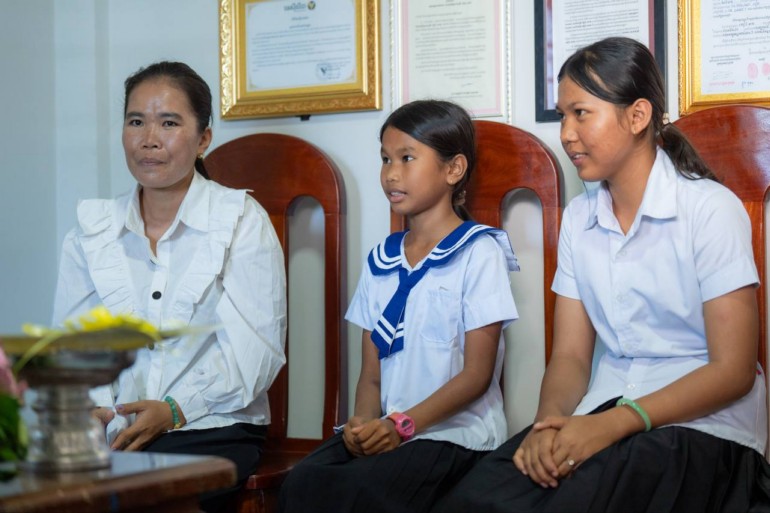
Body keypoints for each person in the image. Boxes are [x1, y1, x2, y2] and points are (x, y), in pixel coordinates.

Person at [434, 37, 770, 513]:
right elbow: (571, 357)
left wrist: (616, 423)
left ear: (637, 116)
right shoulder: (579, 218)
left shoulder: (710, 209)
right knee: (475, 498)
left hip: (703, 428)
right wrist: (548, 426)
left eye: (581, 114)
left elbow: (732, 371)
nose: (566, 134)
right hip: (607, 411)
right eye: (562, 116)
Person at [52, 61, 286, 513]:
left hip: (212, 425)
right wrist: (93, 410)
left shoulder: (240, 221)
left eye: (169, 123)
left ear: (203, 138)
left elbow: (256, 354)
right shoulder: (91, 229)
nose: (149, 139)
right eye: (136, 121)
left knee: (138, 497)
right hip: (113, 430)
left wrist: (174, 410)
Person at [278, 100, 520, 513]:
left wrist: (402, 425)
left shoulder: (479, 252)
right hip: (390, 429)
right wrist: (361, 423)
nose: (391, 173)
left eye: (407, 158)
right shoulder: (381, 260)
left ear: (453, 169)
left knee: (364, 491)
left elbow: (477, 376)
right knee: (303, 481)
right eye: (385, 159)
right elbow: (371, 376)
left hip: (455, 436)